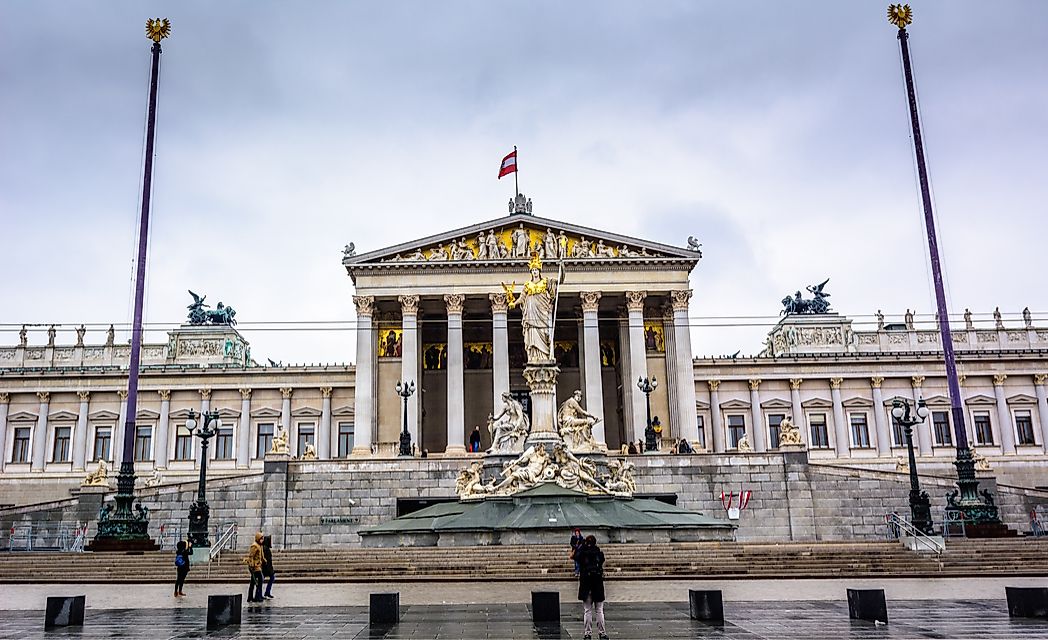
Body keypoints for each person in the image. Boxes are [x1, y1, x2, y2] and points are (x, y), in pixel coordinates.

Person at [576, 535, 608, 640]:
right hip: (597, 585)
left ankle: (587, 634)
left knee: (587, 610)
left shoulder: (582, 554)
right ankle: (602, 633)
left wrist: (582, 547)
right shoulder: (599, 554)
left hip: (586, 585)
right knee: (599, 610)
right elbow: (602, 562)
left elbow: (576, 557)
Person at [244, 532, 265, 603]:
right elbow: (251, 556)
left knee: (253, 582)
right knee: (260, 580)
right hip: (255, 567)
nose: (262, 540)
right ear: (258, 538)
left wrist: (264, 560)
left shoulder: (259, 545)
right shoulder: (254, 546)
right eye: (261, 539)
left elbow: (261, 555)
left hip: (258, 566)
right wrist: (252, 565)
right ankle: (257, 597)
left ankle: (250, 597)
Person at [261, 534, 276, 599]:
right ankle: (266, 592)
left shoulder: (264, 548)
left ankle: (265, 592)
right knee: (271, 578)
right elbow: (267, 560)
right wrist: (270, 569)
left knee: (262, 581)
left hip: (266, 568)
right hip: (266, 568)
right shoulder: (265, 549)